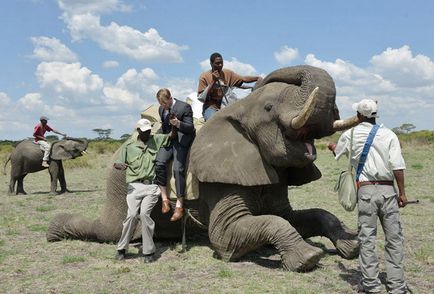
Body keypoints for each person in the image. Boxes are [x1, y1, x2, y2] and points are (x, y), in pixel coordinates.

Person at [328, 99, 409, 294]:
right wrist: (402, 193)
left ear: (358, 115)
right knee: (394, 239)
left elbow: (338, 153)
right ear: (375, 115)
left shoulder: (351, 134)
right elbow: (397, 166)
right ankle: (397, 286)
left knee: (367, 240)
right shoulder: (389, 134)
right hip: (388, 190)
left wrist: (332, 147)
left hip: (365, 192)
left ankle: (372, 286)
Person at [114, 118, 170, 263]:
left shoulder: (155, 140)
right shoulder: (129, 146)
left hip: (151, 186)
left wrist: (175, 122)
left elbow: (171, 137)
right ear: (138, 131)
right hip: (134, 186)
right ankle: (121, 248)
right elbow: (118, 163)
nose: (147, 134)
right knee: (132, 215)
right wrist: (120, 166)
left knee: (145, 214)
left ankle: (148, 251)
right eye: (144, 131)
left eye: (149, 131)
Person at [155, 88, 195, 222]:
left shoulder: (184, 107)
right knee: (159, 163)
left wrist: (177, 123)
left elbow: (190, 128)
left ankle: (179, 205)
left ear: (170, 98)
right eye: (161, 104)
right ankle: (165, 199)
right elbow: (164, 127)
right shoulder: (161, 110)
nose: (163, 107)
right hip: (169, 140)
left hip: (182, 140)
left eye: (165, 104)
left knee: (178, 169)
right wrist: (158, 137)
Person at [197, 52, 261, 121]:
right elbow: (201, 97)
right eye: (217, 63)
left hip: (227, 106)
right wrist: (213, 81)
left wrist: (257, 78)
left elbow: (243, 79)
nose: (220, 65)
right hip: (211, 107)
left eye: (221, 63)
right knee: (213, 122)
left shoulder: (227, 73)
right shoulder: (204, 76)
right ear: (211, 64)